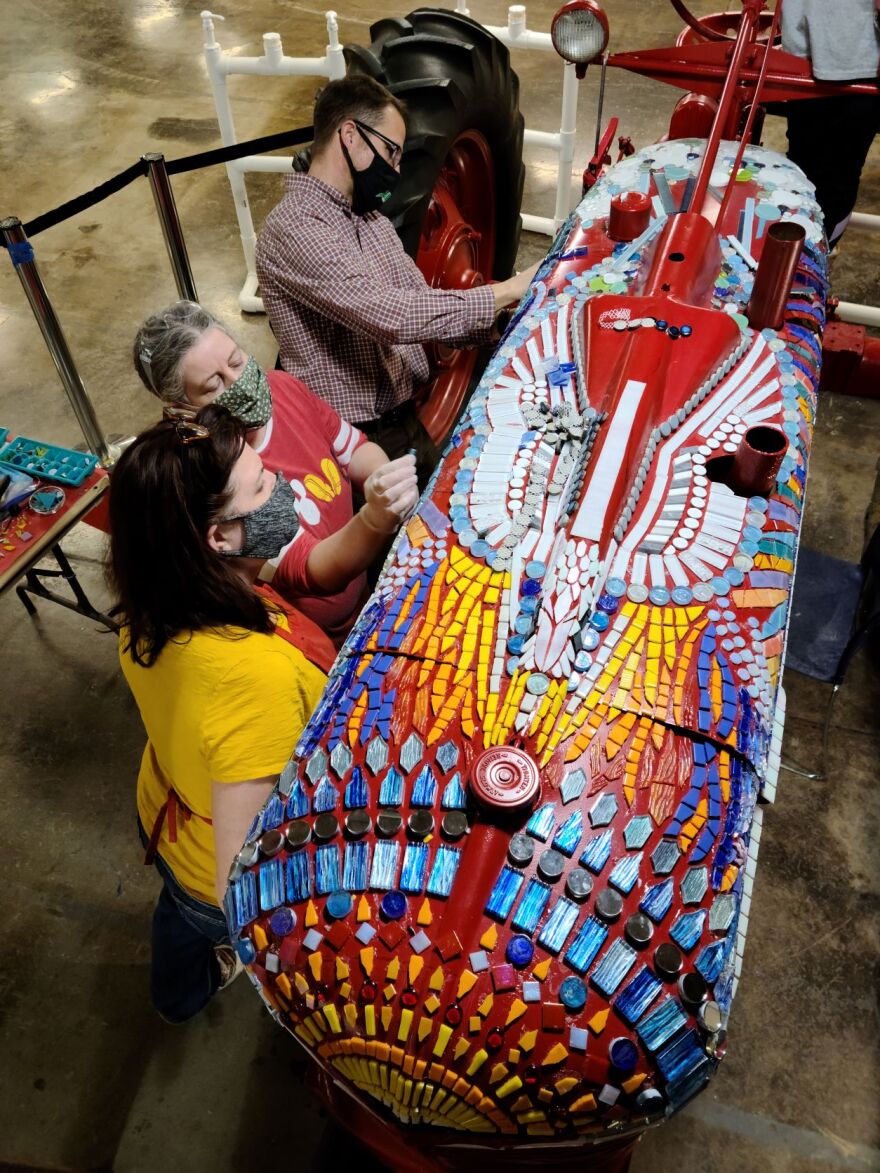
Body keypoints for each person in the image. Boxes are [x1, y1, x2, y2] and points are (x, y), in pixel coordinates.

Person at [110, 405, 412, 1022]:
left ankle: (175, 992)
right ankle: (185, 996)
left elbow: (310, 567)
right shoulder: (253, 680)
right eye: (263, 486)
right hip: (203, 861)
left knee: (173, 918)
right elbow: (238, 884)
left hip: (166, 798)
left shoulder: (171, 586)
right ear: (218, 533)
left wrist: (374, 520)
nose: (285, 487)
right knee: (196, 917)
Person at [255, 74, 539, 483]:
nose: (396, 169)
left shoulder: (368, 218)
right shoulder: (296, 228)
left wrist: (506, 321)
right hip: (347, 445)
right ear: (349, 135)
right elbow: (393, 316)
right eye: (390, 152)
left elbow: (419, 302)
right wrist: (508, 288)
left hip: (403, 422)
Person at [133, 301, 418, 645]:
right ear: (181, 408)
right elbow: (312, 569)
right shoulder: (220, 474)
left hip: (365, 584)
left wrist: (384, 478)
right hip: (320, 633)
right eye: (213, 385)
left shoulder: (279, 388)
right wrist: (374, 520)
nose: (240, 382)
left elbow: (352, 446)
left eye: (237, 361)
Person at [783, 0, 880, 247]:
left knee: (833, 177)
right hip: (810, 48)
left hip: (856, 58)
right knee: (803, 170)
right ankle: (800, 255)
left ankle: (816, 255)